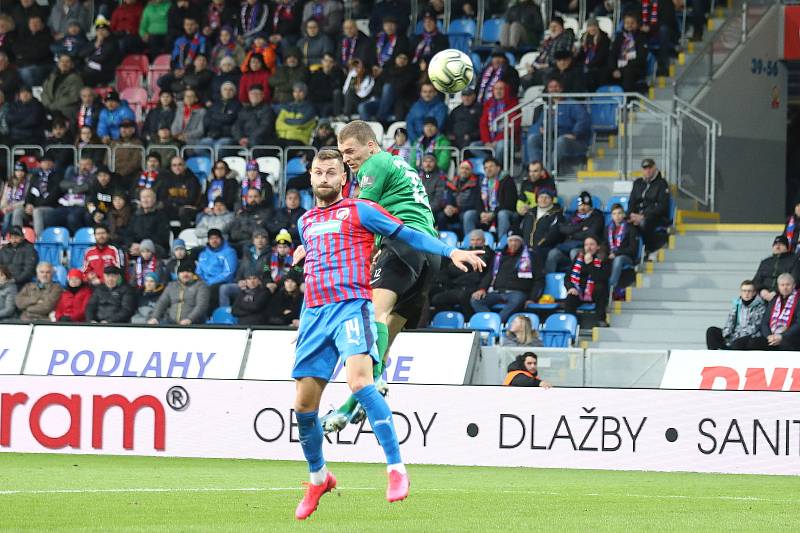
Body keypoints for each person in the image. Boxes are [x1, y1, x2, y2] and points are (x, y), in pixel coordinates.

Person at [290, 149, 483, 519]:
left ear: (344, 179)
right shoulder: (305, 222)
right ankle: (319, 478)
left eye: (332, 172)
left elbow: (408, 232)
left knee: (361, 382)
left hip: (351, 306)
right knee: (303, 407)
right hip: (314, 313)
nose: (325, 178)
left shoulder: (360, 210)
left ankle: (396, 469)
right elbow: (314, 269)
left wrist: (449, 250)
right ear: (311, 178)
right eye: (318, 172)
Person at [319, 122, 443, 432]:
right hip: (428, 255)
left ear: (371, 146)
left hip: (402, 244)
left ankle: (375, 380)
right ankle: (348, 409)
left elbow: (364, 210)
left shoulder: (374, 164)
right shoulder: (400, 164)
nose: (347, 158)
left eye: (351, 150)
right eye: (343, 152)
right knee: (384, 336)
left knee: (374, 314)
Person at [471, 233, 542, 323]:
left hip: (518, 293)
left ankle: (494, 323)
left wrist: (532, 298)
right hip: (498, 292)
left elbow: (539, 280)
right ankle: (493, 321)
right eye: (511, 241)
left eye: (516, 241)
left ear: (521, 242)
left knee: (517, 300)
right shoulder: (499, 256)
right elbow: (490, 274)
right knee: (475, 300)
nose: (513, 243)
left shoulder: (531, 256)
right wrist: (482, 289)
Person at [526, 77, 590, 169]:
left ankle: (547, 172)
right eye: (551, 87)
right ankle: (536, 169)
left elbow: (583, 120)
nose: (553, 89)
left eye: (556, 86)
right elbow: (538, 124)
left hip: (574, 142)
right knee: (533, 139)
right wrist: (540, 129)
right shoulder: (547, 107)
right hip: (551, 140)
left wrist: (575, 134)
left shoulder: (572, 104)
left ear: (561, 88)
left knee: (561, 140)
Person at [431, 229, 493, 319]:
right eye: (472, 240)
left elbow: (480, 267)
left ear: (483, 241)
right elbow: (451, 269)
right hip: (456, 286)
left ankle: (468, 322)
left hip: (473, 287)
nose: (475, 242)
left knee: (464, 297)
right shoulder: (462, 251)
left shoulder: (488, 253)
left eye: (478, 239)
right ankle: (452, 320)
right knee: (436, 299)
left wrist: (461, 266)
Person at [546, 191, 604, 273]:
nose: (582, 207)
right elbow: (563, 229)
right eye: (580, 205)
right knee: (553, 253)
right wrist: (580, 227)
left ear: (590, 206)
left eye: (585, 205)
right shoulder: (573, 216)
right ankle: (549, 281)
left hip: (583, 248)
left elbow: (591, 233)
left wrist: (572, 234)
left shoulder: (597, 217)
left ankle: (576, 280)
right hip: (566, 247)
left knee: (575, 253)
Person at [627, 158, 671, 259]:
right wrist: (631, 215)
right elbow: (632, 201)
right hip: (637, 215)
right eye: (645, 168)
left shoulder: (661, 184)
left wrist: (643, 216)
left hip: (655, 216)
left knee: (645, 222)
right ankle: (630, 253)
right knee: (623, 221)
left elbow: (662, 206)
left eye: (650, 168)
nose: (648, 170)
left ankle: (649, 249)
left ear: (655, 168)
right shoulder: (637, 183)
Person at [745, 273, 800, 351]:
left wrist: (781, 336)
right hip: (772, 337)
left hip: (790, 337)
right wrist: (769, 336)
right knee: (753, 343)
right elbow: (764, 322)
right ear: (778, 287)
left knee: (786, 344)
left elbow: (798, 324)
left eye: (788, 285)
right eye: (782, 285)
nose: (785, 288)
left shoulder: (798, 299)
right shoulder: (774, 300)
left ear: (794, 285)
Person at [706, 280, 767, 350]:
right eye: (744, 291)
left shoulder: (760, 307)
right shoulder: (737, 304)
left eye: (749, 291)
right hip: (734, 337)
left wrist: (735, 337)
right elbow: (730, 321)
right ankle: (713, 357)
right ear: (741, 292)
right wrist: (726, 335)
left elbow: (753, 328)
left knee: (738, 343)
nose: (746, 293)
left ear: (754, 293)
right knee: (711, 331)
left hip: (749, 338)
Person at [563, 235, 610, 325]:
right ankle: (571, 323)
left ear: (598, 247)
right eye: (586, 245)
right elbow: (567, 277)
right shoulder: (578, 258)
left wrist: (590, 264)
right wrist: (571, 288)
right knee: (570, 298)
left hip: (595, 292)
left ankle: (601, 320)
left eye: (592, 244)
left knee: (600, 288)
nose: (588, 247)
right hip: (579, 291)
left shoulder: (604, 259)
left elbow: (601, 278)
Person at [523, 17, 574, 87]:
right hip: (540, 68)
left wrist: (547, 65)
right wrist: (532, 66)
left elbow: (562, 57)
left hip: (554, 69)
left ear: (562, 28)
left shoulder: (566, 37)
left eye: (555, 26)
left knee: (534, 78)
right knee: (524, 78)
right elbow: (541, 56)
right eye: (551, 27)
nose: (552, 29)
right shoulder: (548, 41)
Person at [438, 160, 482, 238]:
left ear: (471, 171)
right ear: (458, 170)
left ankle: (468, 242)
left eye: (467, 169)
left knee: (465, 216)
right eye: (462, 168)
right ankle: (445, 240)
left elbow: (474, 202)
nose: (464, 171)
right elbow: (449, 198)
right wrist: (448, 207)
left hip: (468, 211)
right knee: (441, 215)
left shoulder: (476, 183)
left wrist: (457, 209)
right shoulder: (453, 182)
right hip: (456, 212)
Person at [478, 80, 520, 163]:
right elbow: (483, 125)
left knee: (500, 146)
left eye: (501, 89)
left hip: (509, 140)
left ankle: (495, 168)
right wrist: (487, 142)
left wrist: (496, 141)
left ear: (506, 90)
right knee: (473, 146)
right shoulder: (489, 104)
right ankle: (492, 163)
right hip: (490, 140)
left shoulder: (513, 104)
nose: (498, 91)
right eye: (496, 89)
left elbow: (513, 128)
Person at [196, 228, 238, 308]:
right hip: (205, 282)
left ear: (221, 239)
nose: (214, 241)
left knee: (211, 290)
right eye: (211, 238)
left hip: (222, 282)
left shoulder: (229, 252)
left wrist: (210, 282)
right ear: (208, 240)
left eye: (216, 238)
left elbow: (229, 272)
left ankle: (215, 316)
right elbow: (199, 271)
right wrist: (202, 281)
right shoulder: (203, 254)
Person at [520, 188, 563, 263]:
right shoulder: (530, 213)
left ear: (552, 200)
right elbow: (522, 230)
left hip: (545, 248)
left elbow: (552, 235)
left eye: (547, 197)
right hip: (526, 248)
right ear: (537, 199)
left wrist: (536, 247)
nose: (543, 200)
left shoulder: (557, 215)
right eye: (541, 197)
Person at [608, 12, 648, 93]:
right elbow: (612, 54)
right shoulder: (619, 37)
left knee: (628, 72)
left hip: (635, 68)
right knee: (604, 72)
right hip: (618, 68)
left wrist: (623, 68)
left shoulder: (641, 37)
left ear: (637, 24)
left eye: (632, 23)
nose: (629, 25)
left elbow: (641, 58)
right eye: (627, 23)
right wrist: (614, 69)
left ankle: (627, 100)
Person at [478, 158, 517, 239]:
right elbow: (477, 200)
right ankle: (471, 244)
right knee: (470, 214)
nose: (488, 170)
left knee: (502, 214)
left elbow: (509, 203)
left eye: (491, 166)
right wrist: (481, 213)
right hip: (488, 212)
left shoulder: (507, 180)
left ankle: (502, 244)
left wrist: (493, 214)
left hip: (506, 212)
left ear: (498, 168)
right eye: (485, 168)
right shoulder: (483, 182)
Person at [606, 203, 640, 297]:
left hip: (627, 257)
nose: (617, 216)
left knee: (618, 259)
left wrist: (616, 253)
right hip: (611, 255)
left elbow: (633, 249)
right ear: (611, 215)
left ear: (624, 214)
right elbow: (604, 245)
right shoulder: (608, 229)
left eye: (619, 213)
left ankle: (610, 288)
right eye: (614, 214)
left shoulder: (631, 228)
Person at [160, 156, 202, 231]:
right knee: (160, 210)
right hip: (172, 208)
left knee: (183, 211)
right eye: (174, 165)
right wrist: (175, 202)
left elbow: (191, 199)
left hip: (189, 209)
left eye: (180, 164)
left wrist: (172, 200)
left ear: (185, 166)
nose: (177, 167)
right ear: (171, 167)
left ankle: (184, 236)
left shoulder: (192, 179)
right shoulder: (166, 179)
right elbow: (163, 197)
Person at [753, 235, 799, 303]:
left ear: (787, 247)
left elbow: (795, 280)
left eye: (780, 245)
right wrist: (762, 290)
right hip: (763, 296)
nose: (777, 247)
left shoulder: (794, 261)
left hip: (785, 297)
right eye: (775, 245)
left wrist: (775, 292)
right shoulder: (765, 262)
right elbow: (756, 280)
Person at [26, 156, 64, 237]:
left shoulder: (57, 176)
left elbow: (53, 197)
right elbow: (29, 193)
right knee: (18, 212)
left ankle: (39, 239)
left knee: (37, 211)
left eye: (49, 161)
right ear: (40, 164)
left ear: (53, 164)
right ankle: (17, 236)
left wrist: (35, 206)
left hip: (51, 207)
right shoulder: (35, 177)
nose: (46, 163)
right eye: (44, 161)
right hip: (35, 207)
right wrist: (28, 204)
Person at [79, 17, 120, 87]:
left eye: (103, 30)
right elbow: (81, 53)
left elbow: (102, 58)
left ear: (108, 31)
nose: (100, 32)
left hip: (105, 71)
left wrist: (89, 58)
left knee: (85, 75)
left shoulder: (112, 42)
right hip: (91, 69)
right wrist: (95, 45)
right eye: (98, 30)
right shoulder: (95, 40)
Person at [127, 188, 171, 254]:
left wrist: (144, 246)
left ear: (154, 199)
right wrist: (131, 244)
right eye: (143, 197)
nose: (145, 200)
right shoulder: (135, 215)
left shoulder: (161, 215)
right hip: (136, 247)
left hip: (155, 247)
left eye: (148, 197)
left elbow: (162, 237)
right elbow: (128, 233)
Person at [41, 54, 83, 121]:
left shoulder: (76, 78)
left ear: (72, 64)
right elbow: (44, 92)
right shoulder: (52, 76)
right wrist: (48, 104)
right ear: (58, 63)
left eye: (67, 61)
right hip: (49, 106)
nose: (64, 64)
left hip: (65, 108)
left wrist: (54, 105)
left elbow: (74, 97)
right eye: (62, 61)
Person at [575, 17, 611, 91]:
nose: (592, 28)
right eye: (590, 26)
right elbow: (581, 54)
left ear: (597, 27)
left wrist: (589, 65)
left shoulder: (604, 38)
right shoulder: (584, 38)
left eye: (594, 26)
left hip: (599, 66)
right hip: (586, 65)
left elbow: (602, 56)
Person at [1, 164, 30, 236]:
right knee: (7, 214)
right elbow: (4, 198)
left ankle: (15, 235)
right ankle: (4, 237)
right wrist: (3, 207)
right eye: (17, 171)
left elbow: (26, 200)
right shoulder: (9, 183)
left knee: (14, 213)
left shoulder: (28, 183)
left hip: (21, 208)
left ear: (25, 172)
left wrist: (12, 207)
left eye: (21, 171)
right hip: (8, 208)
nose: (19, 173)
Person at [416, 154, 447, 222]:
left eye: (431, 161)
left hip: (433, 211)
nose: (428, 164)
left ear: (435, 163)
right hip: (419, 208)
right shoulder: (418, 176)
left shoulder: (440, 177)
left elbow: (439, 199)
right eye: (425, 161)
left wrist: (426, 210)